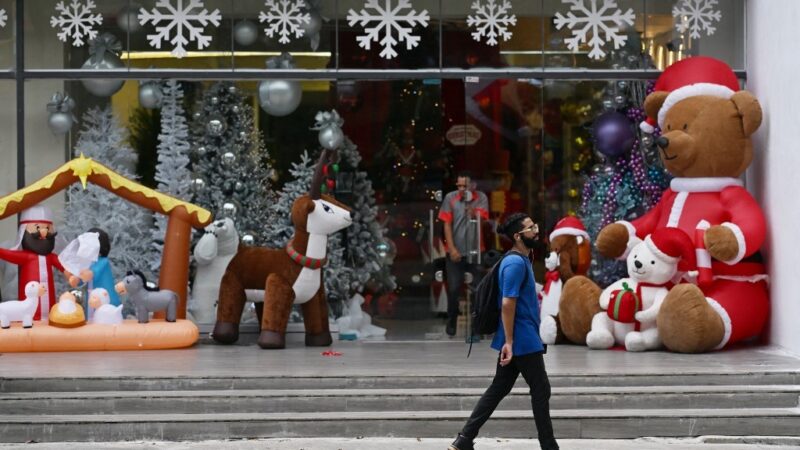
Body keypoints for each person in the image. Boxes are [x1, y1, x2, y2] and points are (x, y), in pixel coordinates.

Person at [449, 212, 558, 450]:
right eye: (531, 228)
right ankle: (549, 447)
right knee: (541, 389)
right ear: (519, 236)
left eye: (535, 225)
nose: (536, 231)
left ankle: (464, 440)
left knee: (499, 388)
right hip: (521, 339)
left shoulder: (523, 259)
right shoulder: (515, 263)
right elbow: (508, 303)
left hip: (521, 336)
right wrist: (509, 341)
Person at [0, 205, 83, 321]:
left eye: (48, 228)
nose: (44, 232)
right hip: (30, 313)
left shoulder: (51, 257)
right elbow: (8, 254)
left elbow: (63, 266)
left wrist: (70, 276)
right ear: (24, 232)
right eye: (37, 227)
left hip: (49, 308)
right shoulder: (26, 257)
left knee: (49, 312)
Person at [438, 171, 489, 336]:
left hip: (476, 251)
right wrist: (451, 249)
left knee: (477, 290)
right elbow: (446, 224)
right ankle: (452, 319)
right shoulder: (450, 198)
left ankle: (476, 325)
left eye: (464, 186)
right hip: (455, 251)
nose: (461, 189)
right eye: (459, 186)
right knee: (453, 288)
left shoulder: (480, 198)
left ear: (472, 186)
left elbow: (484, 220)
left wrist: (475, 212)